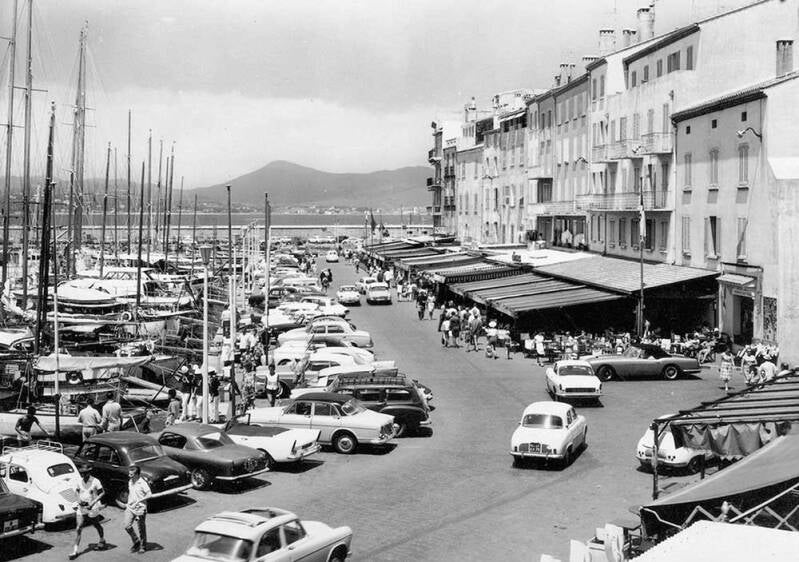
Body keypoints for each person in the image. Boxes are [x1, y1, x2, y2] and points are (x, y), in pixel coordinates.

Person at [70, 466, 106, 559]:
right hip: (81, 507)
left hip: (93, 507)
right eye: (82, 473)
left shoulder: (96, 481)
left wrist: (93, 503)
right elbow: (77, 492)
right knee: (79, 527)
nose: (83, 475)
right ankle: (75, 551)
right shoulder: (79, 481)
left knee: (96, 524)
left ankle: (102, 539)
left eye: (85, 473)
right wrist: (78, 500)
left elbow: (102, 493)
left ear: (89, 472)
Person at [124, 465, 151, 554]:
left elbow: (149, 494)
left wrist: (140, 501)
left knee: (141, 528)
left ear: (137, 475)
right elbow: (131, 493)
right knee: (127, 526)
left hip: (140, 508)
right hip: (130, 507)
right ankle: (136, 541)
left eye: (131, 474)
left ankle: (143, 546)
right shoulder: (130, 481)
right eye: (129, 474)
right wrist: (129, 502)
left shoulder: (142, 483)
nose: (129, 476)